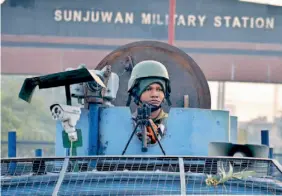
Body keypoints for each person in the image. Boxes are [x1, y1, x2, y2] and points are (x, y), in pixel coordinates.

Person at [126, 60, 172, 145]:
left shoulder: (173, 123)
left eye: (159, 89)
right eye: (148, 89)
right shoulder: (125, 124)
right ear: (136, 92)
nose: (154, 95)